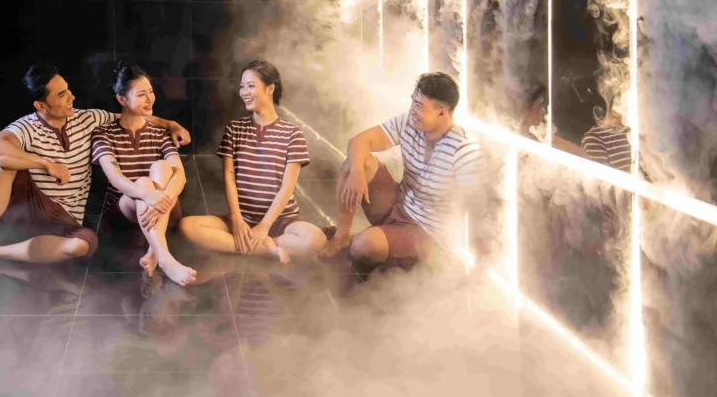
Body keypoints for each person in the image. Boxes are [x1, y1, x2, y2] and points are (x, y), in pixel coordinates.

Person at [0, 64, 190, 287]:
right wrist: (45, 163)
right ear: (41, 105)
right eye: (62, 95)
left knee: (82, 245)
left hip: (66, 218)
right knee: (5, 165)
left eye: (68, 90)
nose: (72, 97)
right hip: (32, 205)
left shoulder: (88, 119)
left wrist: (171, 125)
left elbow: (132, 114)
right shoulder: (26, 127)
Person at [320, 72, 485, 264]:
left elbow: (477, 208)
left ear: (442, 113)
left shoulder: (463, 150)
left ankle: (359, 240)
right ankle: (342, 235)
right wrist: (357, 173)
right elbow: (360, 141)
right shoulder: (409, 123)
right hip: (398, 204)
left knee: (363, 245)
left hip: (425, 232)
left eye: (419, 106)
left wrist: (479, 266)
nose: (412, 111)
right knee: (356, 162)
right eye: (413, 102)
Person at [179, 60, 327, 263]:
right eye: (242, 86)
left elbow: (287, 187)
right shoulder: (234, 129)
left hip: (281, 221)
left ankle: (256, 243)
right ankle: (268, 248)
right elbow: (229, 178)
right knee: (187, 226)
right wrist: (237, 221)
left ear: (270, 89)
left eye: (250, 86)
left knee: (316, 239)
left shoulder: (292, 133)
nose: (244, 92)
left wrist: (264, 226)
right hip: (242, 218)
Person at [91, 62, 197, 286]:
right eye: (141, 94)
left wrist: (162, 198)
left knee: (163, 167)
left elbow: (180, 176)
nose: (150, 99)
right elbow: (115, 179)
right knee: (143, 182)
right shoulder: (103, 133)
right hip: (125, 211)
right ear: (122, 100)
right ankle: (166, 259)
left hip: (164, 208)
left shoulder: (161, 132)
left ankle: (155, 252)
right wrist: (148, 194)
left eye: (150, 91)